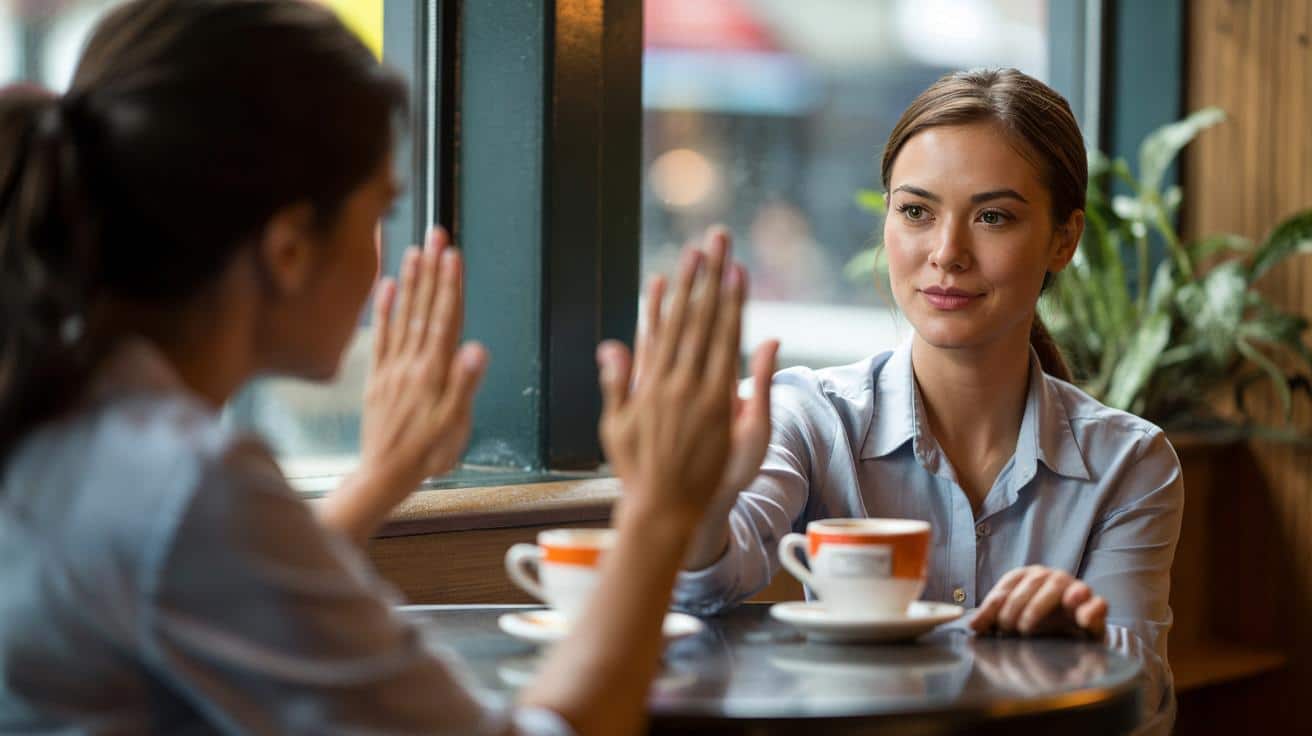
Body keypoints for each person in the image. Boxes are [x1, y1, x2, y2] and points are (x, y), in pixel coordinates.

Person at [0, 1, 776, 734]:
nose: (384, 258)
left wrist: (380, 479)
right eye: (380, 212)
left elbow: (206, 584)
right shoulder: (184, 480)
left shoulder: (74, 422)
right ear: (289, 250)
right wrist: (660, 511)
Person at [670, 68, 1184, 735]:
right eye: (917, 211)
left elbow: (1143, 707)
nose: (947, 253)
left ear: (1064, 239)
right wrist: (702, 499)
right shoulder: (809, 416)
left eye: (993, 217)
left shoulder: (1129, 462)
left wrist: (1079, 645)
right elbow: (708, 587)